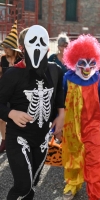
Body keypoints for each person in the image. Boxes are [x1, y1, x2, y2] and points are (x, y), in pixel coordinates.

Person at [0, 25, 65, 199]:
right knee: (23, 185)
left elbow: (59, 93)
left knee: (31, 185)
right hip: (19, 137)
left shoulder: (54, 70)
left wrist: (61, 115)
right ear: (22, 48)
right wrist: (11, 113)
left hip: (42, 138)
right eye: (32, 42)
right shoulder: (13, 74)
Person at [62, 35, 100, 200]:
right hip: (72, 126)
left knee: (95, 160)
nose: (87, 67)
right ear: (74, 61)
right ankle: (73, 184)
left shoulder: (99, 79)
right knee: (74, 156)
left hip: (93, 127)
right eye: (82, 62)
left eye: (92, 62)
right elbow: (61, 103)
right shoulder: (67, 78)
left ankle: (95, 195)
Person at [0, 20, 23, 153]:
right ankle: (4, 141)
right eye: (4, 48)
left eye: (7, 48)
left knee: (15, 120)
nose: (5, 50)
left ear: (13, 48)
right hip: (5, 92)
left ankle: (16, 142)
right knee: (2, 119)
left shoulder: (21, 58)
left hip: (18, 93)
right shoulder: (2, 59)